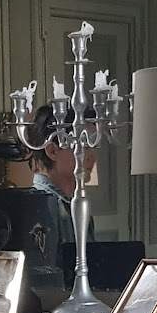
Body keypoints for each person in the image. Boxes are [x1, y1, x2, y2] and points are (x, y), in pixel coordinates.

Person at [26, 103, 99, 252]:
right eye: (83, 146)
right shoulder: (40, 209)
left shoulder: (76, 204)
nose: (93, 156)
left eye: (94, 146)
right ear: (52, 151)